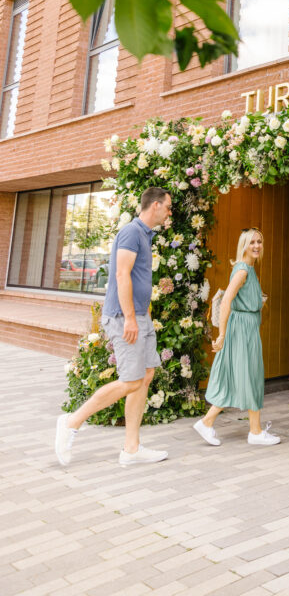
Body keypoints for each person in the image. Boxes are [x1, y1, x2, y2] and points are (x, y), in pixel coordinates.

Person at [55, 186, 172, 468]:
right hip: (124, 317)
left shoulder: (145, 235)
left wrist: (141, 315)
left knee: (145, 375)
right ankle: (71, 422)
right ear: (155, 205)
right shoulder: (132, 232)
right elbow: (121, 274)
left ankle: (131, 449)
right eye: (168, 207)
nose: (170, 212)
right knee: (131, 380)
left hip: (140, 316)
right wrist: (130, 318)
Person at [193, 228, 280, 447]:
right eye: (252, 242)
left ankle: (215, 423)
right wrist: (221, 334)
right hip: (240, 330)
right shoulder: (243, 270)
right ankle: (254, 431)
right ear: (244, 245)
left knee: (245, 376)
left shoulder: (248, 269)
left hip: (247, 328)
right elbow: (226, 302)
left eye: (259, 241)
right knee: (248, 375)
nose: (257, 246)